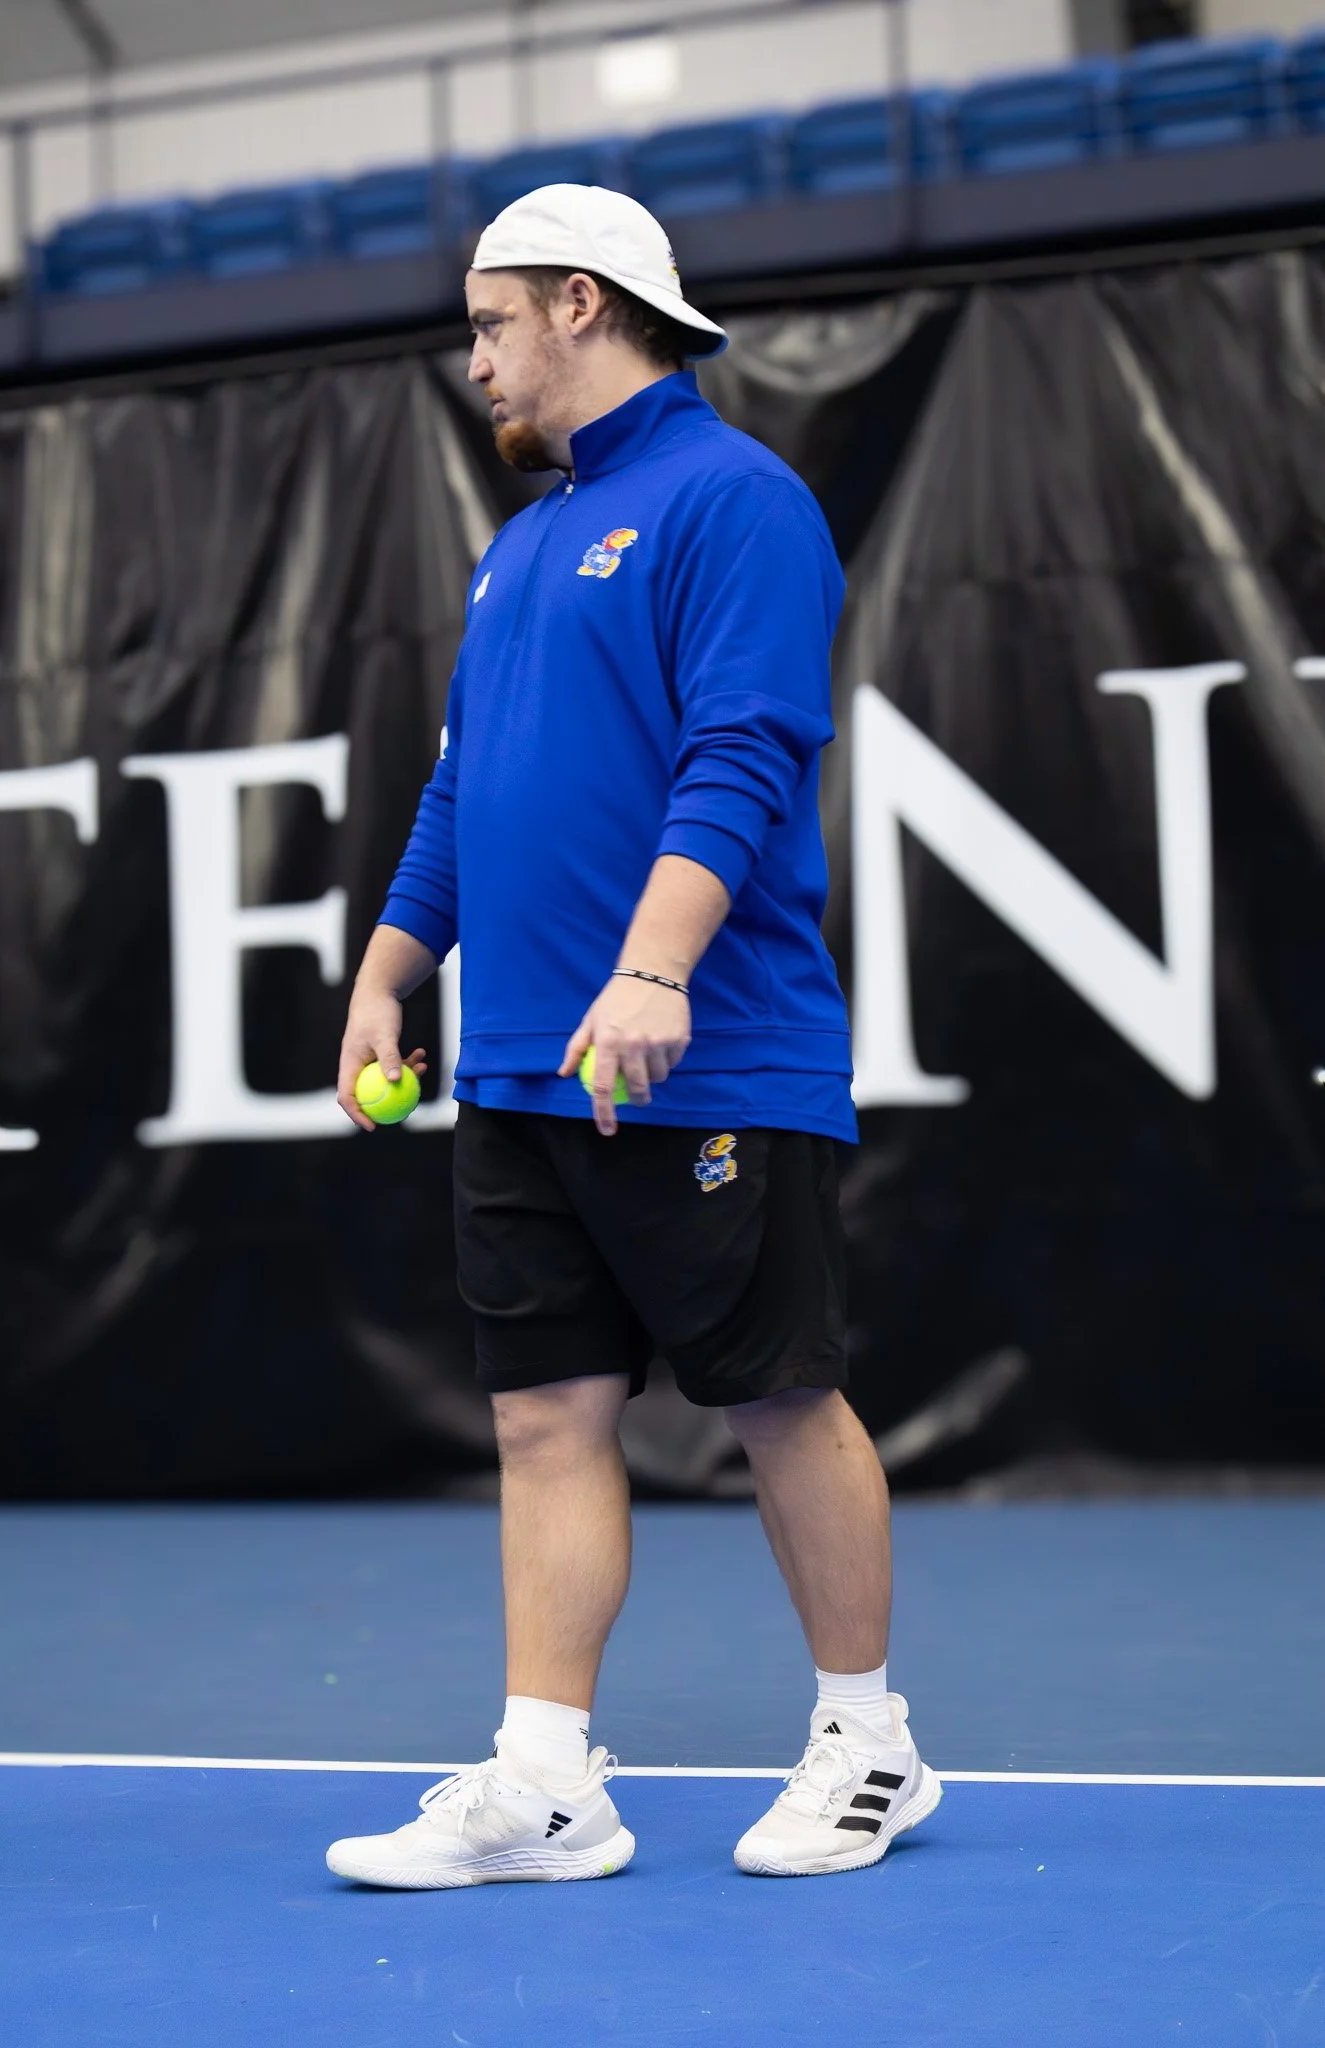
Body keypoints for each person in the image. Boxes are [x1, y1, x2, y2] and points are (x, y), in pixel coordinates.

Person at [325, 184, 939, 1890]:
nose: (477, 363)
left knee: (780, 1398)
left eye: (489, 321)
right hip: (520, 1063)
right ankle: (548, 1777)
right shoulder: (521, 544)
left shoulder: (739, 502)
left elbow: (746, 749)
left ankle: (870, 1746)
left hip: (704, 1050)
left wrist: (656, 970)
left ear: (581, 303)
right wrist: (390, 969)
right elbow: (467, 782)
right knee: (542, 1420)